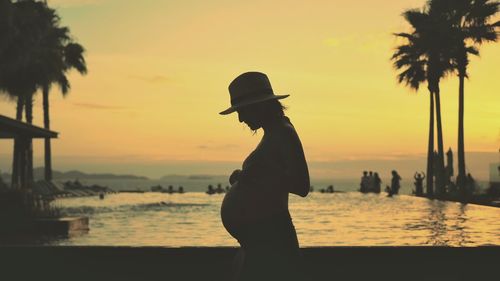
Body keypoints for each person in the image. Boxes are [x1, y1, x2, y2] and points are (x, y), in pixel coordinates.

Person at [219, 72, 310, 281]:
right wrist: (245, 177)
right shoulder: (273, 134)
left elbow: (301, 185)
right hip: (260, 239)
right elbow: (269, 177)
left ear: (259, 106)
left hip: (273, 237)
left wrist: (258, 176)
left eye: (241, 111)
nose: (241, 118)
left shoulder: (284, 132)